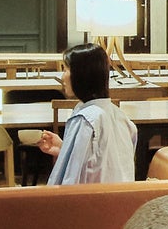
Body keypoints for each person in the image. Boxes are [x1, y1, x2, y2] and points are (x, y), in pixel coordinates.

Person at [40, 42, 137, 186]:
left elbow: (73, 180)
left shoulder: (85, 119)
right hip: (121, 197)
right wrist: (63, 148)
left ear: (81, 75)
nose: (62, 77)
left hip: (91, 198)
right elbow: (103, 165)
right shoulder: (122, 118)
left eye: (66, 70)